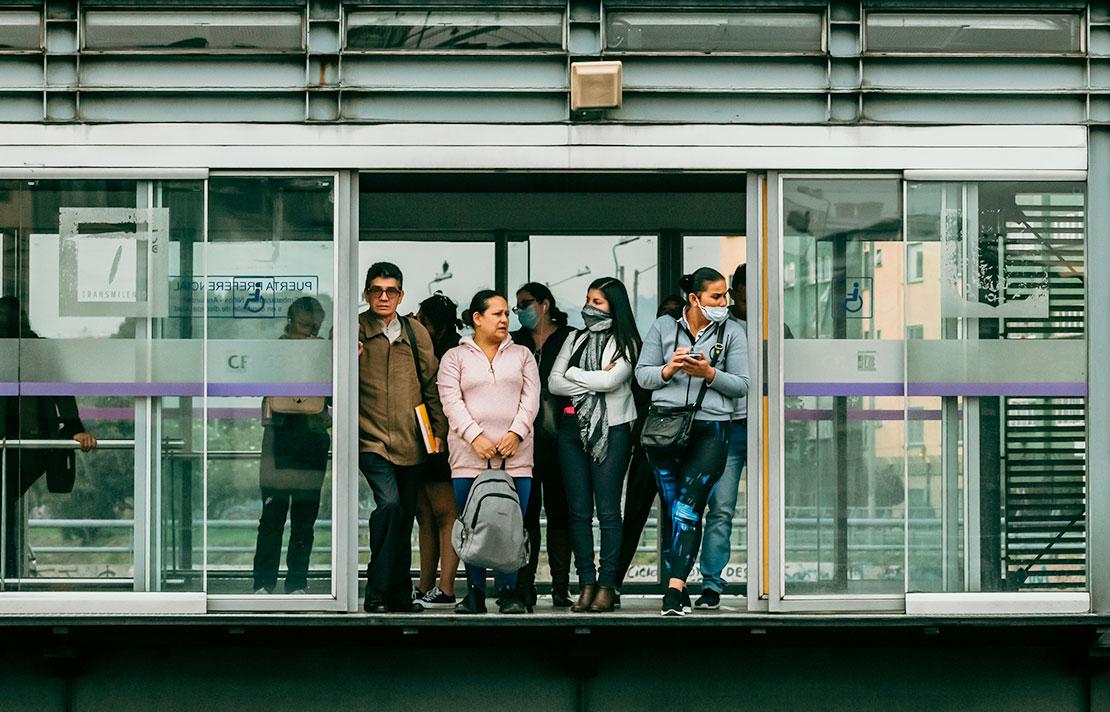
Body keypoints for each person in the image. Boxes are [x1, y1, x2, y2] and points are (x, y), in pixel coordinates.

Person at [635, 267, 749, 616]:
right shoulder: (664, 327)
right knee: (674, 511)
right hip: (666, 428)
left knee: (690, 508)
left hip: (711, 428)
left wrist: (709, 374)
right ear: (694, 298)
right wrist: (669, 369)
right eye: (716, 296)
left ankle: (675, 590)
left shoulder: (732, 332)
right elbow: (643, 376)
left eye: (726, 295)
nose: (724, 302)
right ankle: (680, 583)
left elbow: (742, 385)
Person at [437, 289, 539, 614]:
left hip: (516, 459)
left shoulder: (522, 354)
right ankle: (476, 593)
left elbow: (531, 399)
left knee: (510, 524)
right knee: (474, 526)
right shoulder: (455, 357)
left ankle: (508, 592)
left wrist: (516, 433)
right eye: (497, 313)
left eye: (507, 313)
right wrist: (475, 437)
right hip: (469, 458)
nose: (505, 319)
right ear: (476, 319)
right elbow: (451, 403)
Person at [358, 262, 448, 613]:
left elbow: (431, 385)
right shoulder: (355, 330)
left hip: (413, 442)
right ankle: (377, 592)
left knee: (405, 515)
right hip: (371, 439)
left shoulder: (414, 332)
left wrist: (438, 433)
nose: (384, 297)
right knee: (390, 506)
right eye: (377, 290)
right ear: (366, 294)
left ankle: (397, 594)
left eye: (391, 291)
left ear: (401, 295)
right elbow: (332, 381)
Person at [548, 278, 640, 613]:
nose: (590, 306)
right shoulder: (574, 337)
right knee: (578, 512)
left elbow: (611, 381)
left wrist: (573, 375)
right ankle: (585, 582)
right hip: (571, 430)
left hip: (612, 430)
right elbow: (553, 383)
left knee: (608, 512)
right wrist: (588, 379)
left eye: (598, 302)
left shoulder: (626, 341)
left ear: (614, 305)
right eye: (588, 300)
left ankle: (606, 586)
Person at [0, 297, 97, 579]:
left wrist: (74, 427)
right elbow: (62, 391)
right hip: (32, 442)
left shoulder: (37, 350)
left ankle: (8, 576)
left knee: (4, 505)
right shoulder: (40, 349)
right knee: (5, 505)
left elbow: (60, 389)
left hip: (28, 442)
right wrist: (73, 427)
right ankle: (9, 574)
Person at [252, 296, 330, 596]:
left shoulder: (322, 353)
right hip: (280, 437)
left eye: (314, 327)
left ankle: (297, 581)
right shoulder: (276, 352)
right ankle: (263, 582)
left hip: (309, 438)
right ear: (290, 321)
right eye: (304, 326)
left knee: (304, 517)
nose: (308, 333)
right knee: (272, 515)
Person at [613, 297, 683, 602]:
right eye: (661, 316)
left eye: (671, 316)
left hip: (678, 448)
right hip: (647, 448)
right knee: (634, 519)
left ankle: (674, 587)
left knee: (676, 519)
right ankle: (613, 583)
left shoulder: (691, 357)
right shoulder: (645, 356)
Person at [510, 282, 573, 608]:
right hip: (523, 441)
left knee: (561, 515)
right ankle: (525, 584)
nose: (520, 310)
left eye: (527, 303)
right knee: (526, 515)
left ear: (545, 304)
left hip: (562, 440)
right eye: (517, 305)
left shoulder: (569, 337)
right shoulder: (515, 341)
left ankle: (561, 587)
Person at [694, 264, 749, 609]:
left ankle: (771, 583)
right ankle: (712, 583)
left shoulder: (777, 327)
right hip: (729, 426)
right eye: (739, 289)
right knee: (721, 508)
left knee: (773, 506)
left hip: (768, 428)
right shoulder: (719, 328)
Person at [412, 292, 463, 608]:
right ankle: (426, 584)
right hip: (425, 439)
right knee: (426, 515)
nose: (417, 326)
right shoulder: (428, 350)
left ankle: (445, 588)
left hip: (442, 441)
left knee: (445, 515)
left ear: (440, 328)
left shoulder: (450, 355)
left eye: (423, 322)